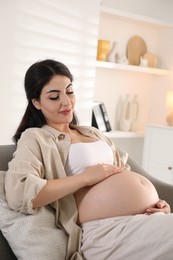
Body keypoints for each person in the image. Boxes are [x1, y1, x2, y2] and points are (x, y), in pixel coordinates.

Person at [5, 59, 172, 260]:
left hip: (144, 219)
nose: (66, 102)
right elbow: (19, 192)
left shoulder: (93, 132)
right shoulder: (36, 138)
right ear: (36, 102)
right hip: (105, 232)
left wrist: (155, 203)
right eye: (54, 96)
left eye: (69, 91)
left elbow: (123, 174)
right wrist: (85, 178)